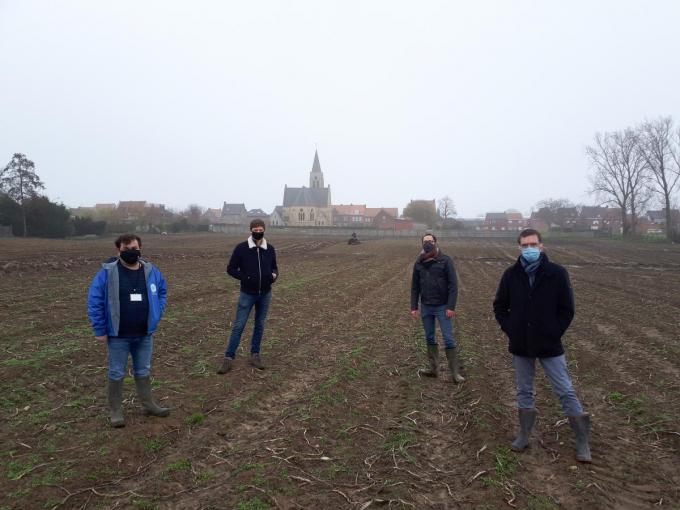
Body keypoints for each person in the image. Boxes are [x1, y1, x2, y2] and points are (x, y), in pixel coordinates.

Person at [493, 228, 591, 462]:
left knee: (565, 390)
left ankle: (582, 440)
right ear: (519, 247)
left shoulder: (556, 274)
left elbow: (567, 309)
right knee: (524, 390)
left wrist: (554, 332)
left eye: (533, 245)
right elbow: (500, 307)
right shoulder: (511, 275)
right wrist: (511, 329)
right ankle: (524, 434)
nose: (529, 249)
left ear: (542, 246)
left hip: (549, 343)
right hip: (521, 344)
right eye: (525, 246)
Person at [87, 234, 169, 428]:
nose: (131, 252)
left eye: (134, 248)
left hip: (144, 334)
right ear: (118, 251)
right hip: (118, 335)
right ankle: (115, 411)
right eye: (126, 250)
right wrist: (100, 328)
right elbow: (95, 301)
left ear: (140, 248)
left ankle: (149, 404)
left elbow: (162, 291)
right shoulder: (107, 273)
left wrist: (156, 313)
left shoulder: (151, 271)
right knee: (116, 372)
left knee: (143, 370)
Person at [217, 219, 278, 373]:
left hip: (265, 294)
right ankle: (228, 358)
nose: (258, 232)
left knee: (260, 325)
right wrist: (246, 278)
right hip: (247, 294)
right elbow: (231, 269)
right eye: (255, 229)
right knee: (239, 326)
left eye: (261, 229)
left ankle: (255, 355)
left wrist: (274, 276)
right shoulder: (241, 249)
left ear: (265, 230)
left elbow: (274, 267)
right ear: (250, 230)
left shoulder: (269, 249)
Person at [410, 232, 464, 383]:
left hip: (442, 306)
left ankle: (455, 373)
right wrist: (414, 307)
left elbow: (453, 285)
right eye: (425, 241)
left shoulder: (445, 261)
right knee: (429, 337)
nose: (428, 243)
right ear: (422, 244)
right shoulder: (419, 263)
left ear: (435, 242)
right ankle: (433, 369)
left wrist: (451, 306)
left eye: (430, 241)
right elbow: (415, 287)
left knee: (448, 339)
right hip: (426, 306)